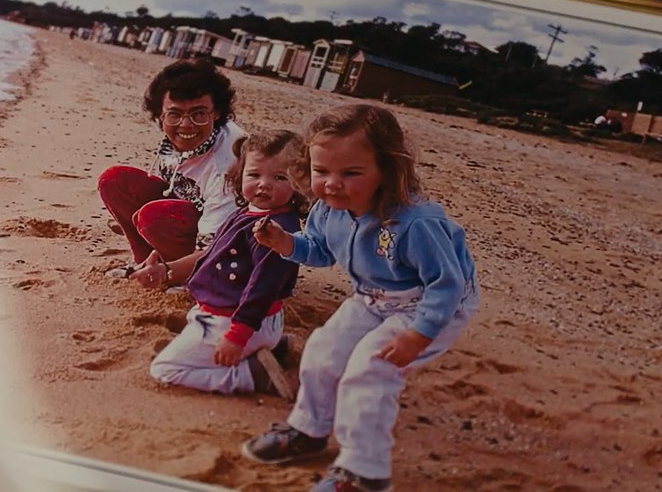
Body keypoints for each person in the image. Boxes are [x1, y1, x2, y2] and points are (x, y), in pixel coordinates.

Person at [240, 104, 480, 492]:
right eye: (322, 171)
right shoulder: (328, 210)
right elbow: (319, 249)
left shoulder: (415, 223)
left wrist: (419, 333)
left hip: (430, 305)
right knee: (322, 350)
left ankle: (364, 471)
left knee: (370, 369)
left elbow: (447, 283)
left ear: (386, 169)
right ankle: (309, 429)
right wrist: (287, 243)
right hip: (373, 296)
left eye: (351, 173)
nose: (333, 183)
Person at [149, 130, 306, 395]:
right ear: (240, 173)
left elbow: (263, 288)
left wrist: (237, 335)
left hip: (237, 322)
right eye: (254, 174)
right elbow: (213, 253)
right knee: (194, 322)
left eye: (279, 177)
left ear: (300, 183)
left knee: (164, 369)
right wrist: (166, 270)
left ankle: (251, 375)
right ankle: (275, 346)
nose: (264, 184)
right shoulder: (249, 213)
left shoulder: (274, 232)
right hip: (255, 321)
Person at [96, 58, 245, 289]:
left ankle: (183, 276)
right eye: (174, 114)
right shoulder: (185, 136)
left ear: (216, 113)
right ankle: (144, 262)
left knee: (153, 217)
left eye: (199, 114)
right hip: (195, 213)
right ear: (160, 115)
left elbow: (219, 247)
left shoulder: (227, 163)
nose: (186, 125)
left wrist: (169, 274)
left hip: (229, 254)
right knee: (114, 181)